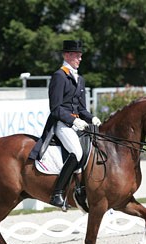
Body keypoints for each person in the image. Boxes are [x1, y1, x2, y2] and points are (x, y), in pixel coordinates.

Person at [29, 40, 101, 209]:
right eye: (77, 55)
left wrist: (91, 118)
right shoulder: (59, 76)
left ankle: (82, 189)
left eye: (80, 55)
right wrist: (74, 120)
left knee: (92, 150)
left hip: (77, 125)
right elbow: (55, 108)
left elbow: (82, 108)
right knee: (76, 152)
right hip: (61, 124)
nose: (80, 58)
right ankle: (57, 193)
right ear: (67, 55)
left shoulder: (80, 79)